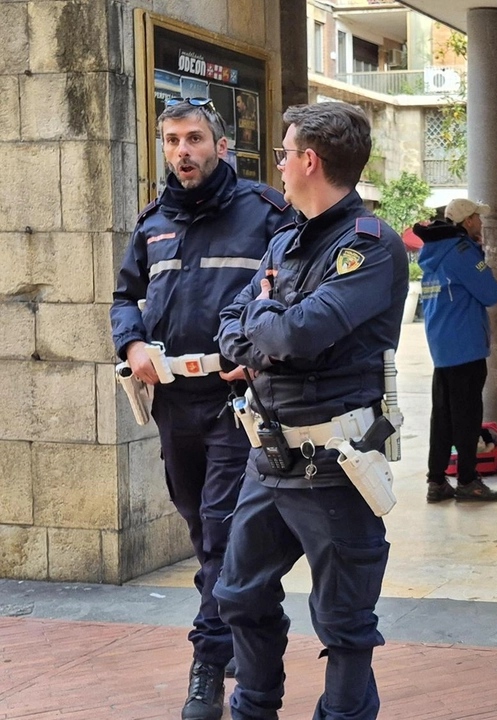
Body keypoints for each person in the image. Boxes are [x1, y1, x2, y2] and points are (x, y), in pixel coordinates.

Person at [213, 101, 408, 720]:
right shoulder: (286, 241)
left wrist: (265, 323)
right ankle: (255, 708)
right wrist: (265, 328)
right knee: (239, 595)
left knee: (345, 625)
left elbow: (296, 335)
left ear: (309, 160)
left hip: (336, 465)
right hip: (267, 457)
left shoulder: (370, 248)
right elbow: (229, 329)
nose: (278, 165)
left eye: (283, 153)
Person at [110, 98, 290, 720]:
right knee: (200, 527)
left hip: (237, 400)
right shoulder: (153, 221)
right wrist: (130, 342)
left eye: (193, 139)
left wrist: (260, 348)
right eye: (170, 141)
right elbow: (124, 296)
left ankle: (208, 665)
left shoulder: (266, 212)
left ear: (220, 144)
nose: (182, 152)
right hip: (172, 401)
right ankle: (249, 619)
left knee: (217, 531)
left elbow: (293, 289)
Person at [413, 198, 497, 503]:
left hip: (442, 347)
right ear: (467, 222)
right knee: (467, 416)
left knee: (443, 416)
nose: (481, 222)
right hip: (465, 346)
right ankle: (467, 480)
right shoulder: (462, 252)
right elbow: (491, 293)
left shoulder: (432, 254)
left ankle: (437, 481)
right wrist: (480, 254)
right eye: (478, 217)